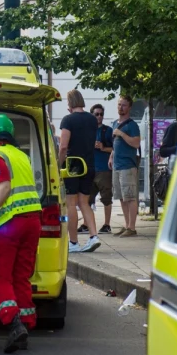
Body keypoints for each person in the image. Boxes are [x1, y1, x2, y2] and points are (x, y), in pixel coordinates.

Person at [0, 114, 43, 353]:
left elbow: (4, 187)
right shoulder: (22, 155)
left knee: (0, 276)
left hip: (8, 224)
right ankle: (25, 323)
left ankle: (13, 323)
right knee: (21, 276)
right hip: (33, 220)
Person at [58, 90, 101, 253]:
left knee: (71, 203)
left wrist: (58, 164)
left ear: (69, 103)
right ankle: (93, 236)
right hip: (90, 164)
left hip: (73, 166)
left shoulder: (68, 120)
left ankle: (74, 242)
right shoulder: (92, 119)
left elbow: (63, 146)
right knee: (84, 202)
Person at [111, 95, 142, 236]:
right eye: (119, 104)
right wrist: (111, 156)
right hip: (117, 165)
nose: (120, 107)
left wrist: (122, 134)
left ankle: (132, 227)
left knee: (130, 197)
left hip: (127, 165)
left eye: (123, 105)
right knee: (122, 197)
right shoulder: (114, 123)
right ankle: (126, 224)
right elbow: (114, 145)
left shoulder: (132, 125)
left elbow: (136, 143)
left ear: (129, 107)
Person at [91, 104, 114, 234]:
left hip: (104, 169)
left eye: (101, 114)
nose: (99, 117)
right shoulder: (88, 130)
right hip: (90, 168)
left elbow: (115, 149)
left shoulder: (107, 131)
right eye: (96, 114)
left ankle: (107, 224)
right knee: (87, 198)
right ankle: (86, 224)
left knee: (106, 198)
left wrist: (103, 147)